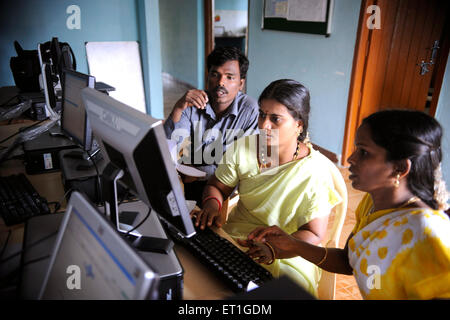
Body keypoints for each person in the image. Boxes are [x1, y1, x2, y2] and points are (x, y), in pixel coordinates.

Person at [244, 109, 450, 300]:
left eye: (364, 152)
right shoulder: (373, 202)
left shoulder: (428, 234)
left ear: (399, 168)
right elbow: (348, 260)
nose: (351, 159)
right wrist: (293, 244)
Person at [194, 79, 342, 296]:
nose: (264, 125)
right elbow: (217, 186)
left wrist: (274, 248)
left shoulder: (315, 171)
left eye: (276, 119)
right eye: (262, 114)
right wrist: (212, 206)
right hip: (236, 240)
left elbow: (314, 233)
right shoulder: (245, 147)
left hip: (289, 252)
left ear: (298, 125)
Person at [164, 46, 259, 205]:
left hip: (224, 190)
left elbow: (240, 166)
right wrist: (179, 107)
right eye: (215, 74)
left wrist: (196, 168)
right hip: (185, 182)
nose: (221, 82)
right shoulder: (192, 103)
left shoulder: (250, 110)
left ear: (241, 83)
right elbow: (170, 148)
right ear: (208, 77)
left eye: (230, 77)